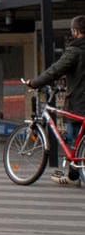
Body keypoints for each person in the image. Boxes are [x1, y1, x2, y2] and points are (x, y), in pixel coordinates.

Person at [24, 15, 85, 172]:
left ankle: (75, 173)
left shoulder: (75, 51)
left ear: (76, 32)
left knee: (74, 138)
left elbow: (55, 70)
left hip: (79, 103)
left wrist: (35, 82)